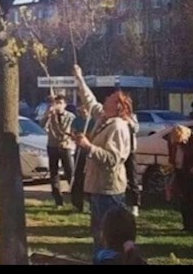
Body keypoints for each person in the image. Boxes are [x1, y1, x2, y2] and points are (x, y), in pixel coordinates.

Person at [72, 64, 133, 260]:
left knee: (109, 237)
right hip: (99, 188)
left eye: (111, 98)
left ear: (119, 106)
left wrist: (88, 146)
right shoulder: (104, 118)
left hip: (109, 191)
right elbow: (91, 102)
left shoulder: (118, 126)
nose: (105, 99)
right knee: (99, 235)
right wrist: (79, 78)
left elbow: (113, 159)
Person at [167, 124, 193, 233]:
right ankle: (188, 225)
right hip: (179, 171)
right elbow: (171, 153)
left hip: (192, 173)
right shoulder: (172, 140)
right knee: (183, 199)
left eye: (180, 141)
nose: (179, 144)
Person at [40, 94, 76, 208]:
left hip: (65, 146)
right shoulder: (51, 116)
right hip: (52, 146)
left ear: (64, 105)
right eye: (56, 103)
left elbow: (73, 131)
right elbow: (42, 125)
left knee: (70, 172)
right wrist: (48, 114)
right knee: (54, 174)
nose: (58, 106)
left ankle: (75, 199)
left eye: (60, 103)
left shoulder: (70, 116)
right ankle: (58, 200)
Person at [70, 106, 94, 212]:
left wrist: (86, 136)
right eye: (82, 108)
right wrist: (76, 136)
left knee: (89, 178)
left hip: (90, 152)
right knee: (78, 177)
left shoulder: (94, 121)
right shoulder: (76, 120)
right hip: (79, 152)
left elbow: (95, 135)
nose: (84, 110)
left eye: (86, 107)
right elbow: (72, 134)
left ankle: (89, 203)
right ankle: (77, 204)